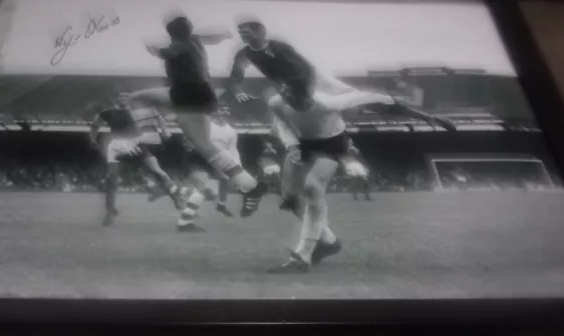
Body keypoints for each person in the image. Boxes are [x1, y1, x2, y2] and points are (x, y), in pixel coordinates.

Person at [267, 82, 450, 273]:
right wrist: (291, 145)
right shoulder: (277, 102)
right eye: (286, 94)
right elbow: (281, 123)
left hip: (331, 144)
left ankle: (302, 256)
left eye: (296, 96)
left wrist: (427, 117)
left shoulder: (328, 103)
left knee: (312, 188)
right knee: (290, 199)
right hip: (301, 144)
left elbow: (375, 99)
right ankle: (328, 241)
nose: (291, 100)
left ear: (308, 94)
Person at [126, 15, 267, 218]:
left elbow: (170, 51)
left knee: (138, 100)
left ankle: (145, 142)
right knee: (203, 144)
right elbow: (206, 37)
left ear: (171, 34)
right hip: (197, 93)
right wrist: (220, 36)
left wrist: (156, 50)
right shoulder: (193, 40)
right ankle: (250, 185)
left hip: (187, 95)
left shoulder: (181, 45)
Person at [89, 95, 184, 226]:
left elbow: (158, 117)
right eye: (120, 96)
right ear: (116, 99)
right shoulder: (108, 112)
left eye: (125, 96)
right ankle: (111, 211)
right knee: (111, 178)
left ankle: (175, 197)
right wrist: (93, 140)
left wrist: (164, 131)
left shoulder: (138, 111)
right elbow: (95, 126)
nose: (122, 98)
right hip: (117, 147)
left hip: (136, 144)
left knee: (156, 171)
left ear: (129, 99)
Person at [227, 19, 354, 105]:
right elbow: (235, 77)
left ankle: (364, 96)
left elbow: (303, 68)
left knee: (340, 93)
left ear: (259, 32)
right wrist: (239, 91)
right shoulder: (243, 53)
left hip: (310, 76)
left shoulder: (279, 47)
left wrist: (300, 85)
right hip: (288, 84)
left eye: (246, 33)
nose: (242, 36)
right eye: (241, 33)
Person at [176, 105, 241, 232]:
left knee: (208, 191)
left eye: (227, 110)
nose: (224, 112)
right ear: (214, 112)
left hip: (212, 161)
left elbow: (231, 149)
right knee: (203, 187)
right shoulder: (205, 126)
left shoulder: (231, 131)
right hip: (197, 160)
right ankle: (184, 222)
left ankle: (183, 195)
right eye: (221, 109)